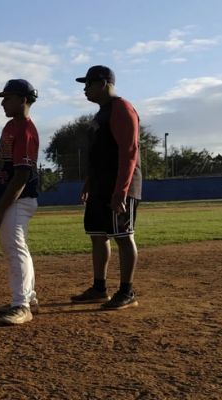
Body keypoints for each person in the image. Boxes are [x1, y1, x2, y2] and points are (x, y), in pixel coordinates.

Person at [70, 65, 142, 310]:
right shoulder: (101, 113)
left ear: (103, 83)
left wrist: (121, 191)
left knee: (123, 236)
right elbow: (98, 153)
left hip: (120, 185)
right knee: (98, 235)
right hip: (100, 184)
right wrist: (89, 182)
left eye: (88, 84)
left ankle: (127, 291)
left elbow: (129, 151)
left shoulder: (122, 108)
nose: (85, 90)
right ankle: (99, 288)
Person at [0, 79, 40, 325]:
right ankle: (29, 298)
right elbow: (0, 165)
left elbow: (22, 175)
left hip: (19, 199)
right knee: (16, 248)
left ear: (23, 100)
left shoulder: (26, 130)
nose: (3, 103)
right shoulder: (9, 126)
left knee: (15, 248)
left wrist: (0, 208)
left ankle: (22, 305)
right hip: (8, 198)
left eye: (7, 98)